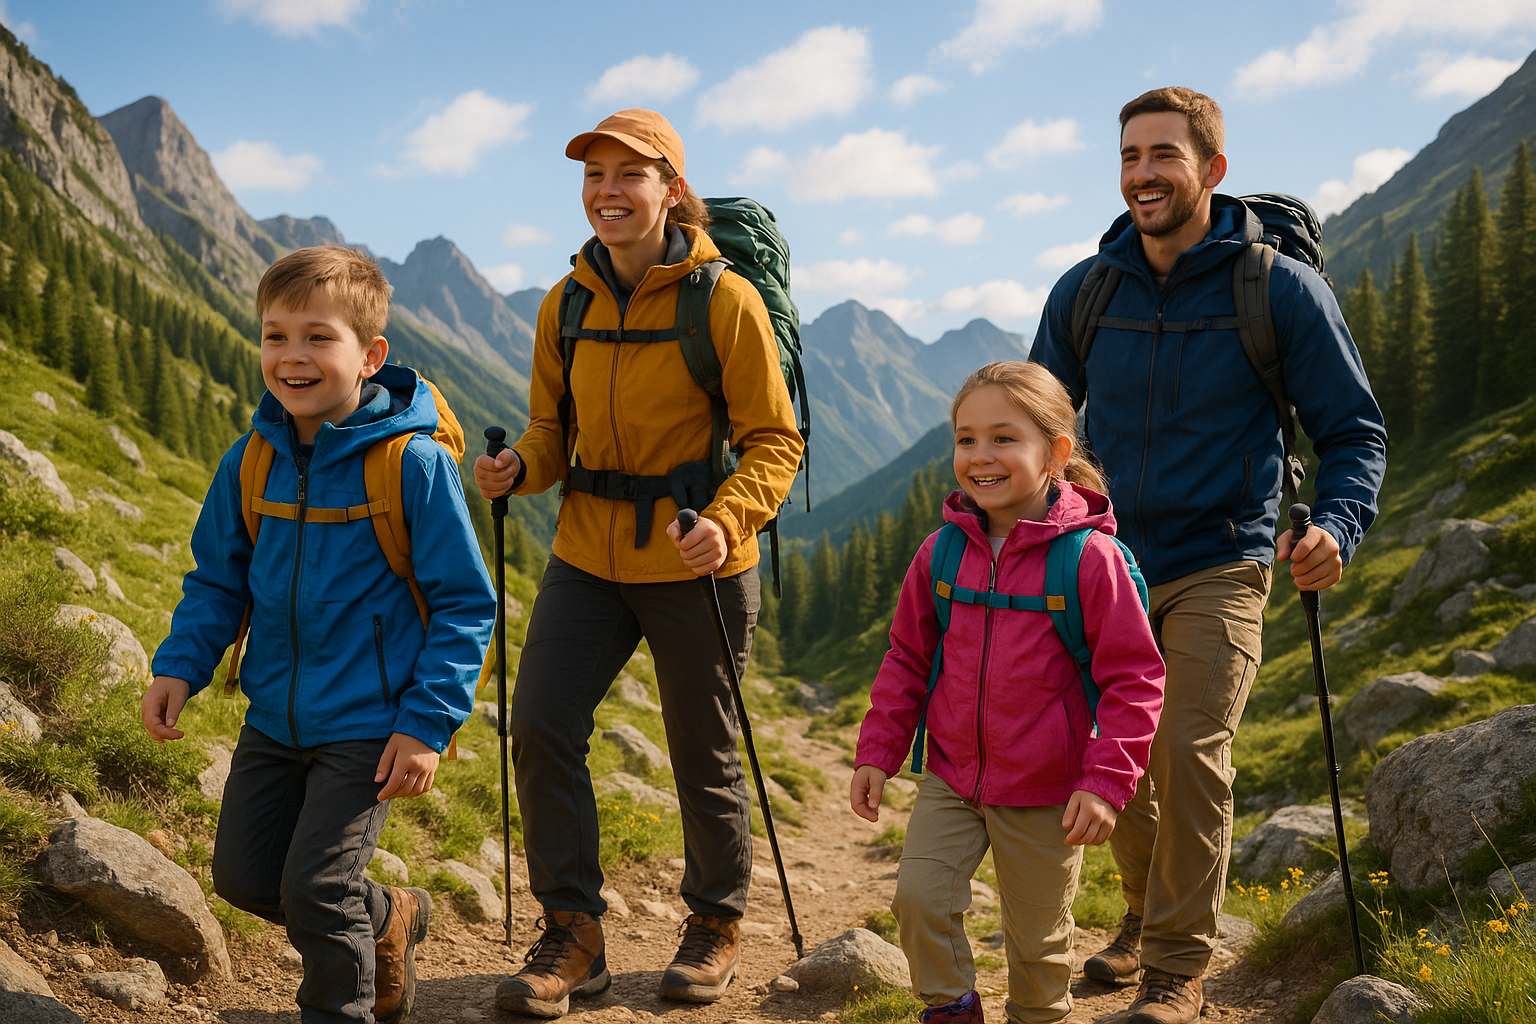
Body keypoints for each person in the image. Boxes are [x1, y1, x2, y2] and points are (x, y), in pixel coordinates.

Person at [1029, 88, 1388, 1023]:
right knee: (1121, 757)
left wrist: (1336, 528)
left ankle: (1177, 967)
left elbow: (1353, 430)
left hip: (1223, 558)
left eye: (1164, 156)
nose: (1142, 174)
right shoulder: (1085, 291)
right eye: (1129, 157)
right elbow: (1036, 427)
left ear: (1211, 170)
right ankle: (1147, 915)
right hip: (1104, 564)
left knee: (1188, 747)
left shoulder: (1276, 288)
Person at [473, 109, 803, 1018]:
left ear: (672, 189)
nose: (608, 190)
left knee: (704, 751)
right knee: (540, 723)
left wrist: (729, 524)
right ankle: (575, 933)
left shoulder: (723, 299)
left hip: (698, 557)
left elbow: (776, 440)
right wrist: (517, 469)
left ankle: (714, 926)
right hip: (588, 551)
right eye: (594, 176)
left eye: (631, 173)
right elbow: (550, 434)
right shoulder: (566, 302)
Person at [141, 245, 496, 1024]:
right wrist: (181, 667)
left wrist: (426, 723)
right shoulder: (251, 461)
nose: (292, 356)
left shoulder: (415, 466)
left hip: (370, 726)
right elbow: (217, 581)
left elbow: (467, 606)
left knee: (317, 889)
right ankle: (390, 917)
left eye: (317, 337)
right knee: (244, 878)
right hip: (272, 715)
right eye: (275, 336)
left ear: (370, 356)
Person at [850, 361, 1166, 1024]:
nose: (980, 457)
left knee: (1038, 948)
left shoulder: (1090, 560)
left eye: (1003, 438)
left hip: (1051, 789)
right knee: (919, 900)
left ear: (1055, 453)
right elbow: (908, 658)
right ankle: (952, 1006)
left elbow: (1134, 680)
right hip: (952, 777)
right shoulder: (939, 553)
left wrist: (1106, 783)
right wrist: (877, 752)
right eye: (966, 439)